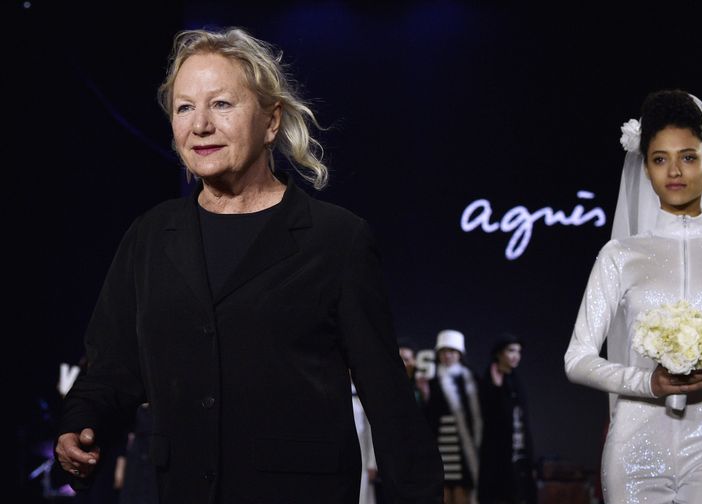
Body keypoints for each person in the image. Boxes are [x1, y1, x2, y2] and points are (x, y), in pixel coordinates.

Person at [54, 27, 443, 504]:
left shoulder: (336, 240)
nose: (199, 125)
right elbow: (112, 367)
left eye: (221, 104)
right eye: (184, 107)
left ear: (271, 120)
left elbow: (388, 398)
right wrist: (81, 424)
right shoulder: (150, 236)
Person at [564, 89, 702, 503]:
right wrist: (648, 382)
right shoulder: (620, 255)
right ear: (646, 170)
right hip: (635, 448)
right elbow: (576, 359)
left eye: (688, 156)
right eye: (659, 159)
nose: (674, 171)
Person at [423, 330, 482, 504]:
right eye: (443, 351)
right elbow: (427, 415)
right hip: (440, 447)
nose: (448, 355)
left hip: (463, 449)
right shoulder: (431, 379)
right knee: (442, 493)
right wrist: (425, 393)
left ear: (460, 354)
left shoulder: (470, 378)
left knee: (462, 491)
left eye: (452, 351)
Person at [478, 335, 536, 504]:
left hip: (519, 452)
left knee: (521, 495)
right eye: (511, 350)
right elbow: (490, 416)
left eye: (518, 351)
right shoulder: (489, 379)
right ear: (499, 353)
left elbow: (524, 421)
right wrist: (496, 388)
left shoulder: (515, 380)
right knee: (498, 494)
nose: (516, 355)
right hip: (497, 456)